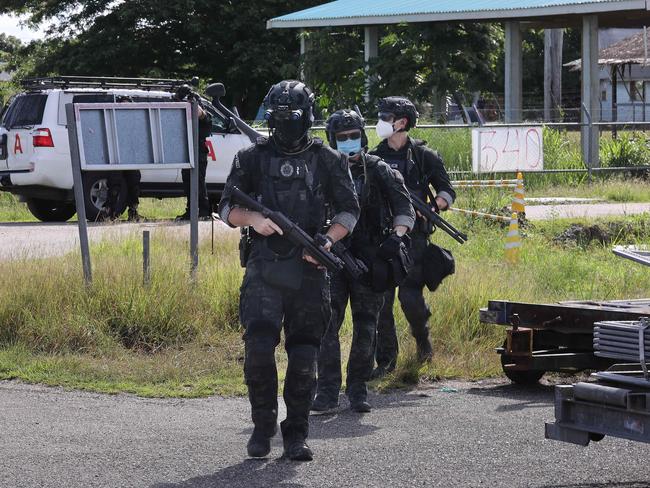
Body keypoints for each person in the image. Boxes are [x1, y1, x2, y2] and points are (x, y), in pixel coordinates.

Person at [217, 80, 359, 461]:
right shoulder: (251, 157)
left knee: (304, 356)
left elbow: (349, 210)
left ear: (307, 117)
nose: (284, 124)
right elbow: (226, 208)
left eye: (291, 117)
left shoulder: (329, 159)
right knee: (259, 351)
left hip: (310, 268)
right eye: (278, 117)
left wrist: (327, 242)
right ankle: (262, 428)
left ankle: (296, 433)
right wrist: (254, 218)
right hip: (264, 266)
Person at [312, 109, 414, 413]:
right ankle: (328, 390)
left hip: (371, 261)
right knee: (327, 324)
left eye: (353, 136)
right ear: (332, 140)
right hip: (331, 258)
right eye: (341, 138)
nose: (348, 142)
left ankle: (357, 387)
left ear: (363, 136)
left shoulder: (379, 169)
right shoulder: (321, 170)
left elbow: (404, 208)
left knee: (367, 325)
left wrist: (396, 238)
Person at [370, 97, 456, 378]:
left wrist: (432, 208)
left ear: (402, 122)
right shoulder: (375, 156)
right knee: (382, 303)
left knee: (410, 299)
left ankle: (423, 342)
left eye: (386, 116)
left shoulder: (423, 156)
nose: (381, 121)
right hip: (384, 239)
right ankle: (386, 363)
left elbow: (447, 191)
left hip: (415, 240)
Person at [101, 95, 142, 222]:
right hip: (116, 157)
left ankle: (133, 212)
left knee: (134, 183)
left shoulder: (135, 121)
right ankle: (110, 213)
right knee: (114, 185)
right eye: (122, 105)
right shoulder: (112, 119)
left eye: (128, 106)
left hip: (131, 157)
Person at [175, 89, 213, 220]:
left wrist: (195, 106)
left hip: (199, 154)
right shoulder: (182, 114)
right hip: (187, 153)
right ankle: (190, 211)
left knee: (199, 184)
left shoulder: (203, 115)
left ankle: (204, 212)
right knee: (188, 184)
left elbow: (204, 117)